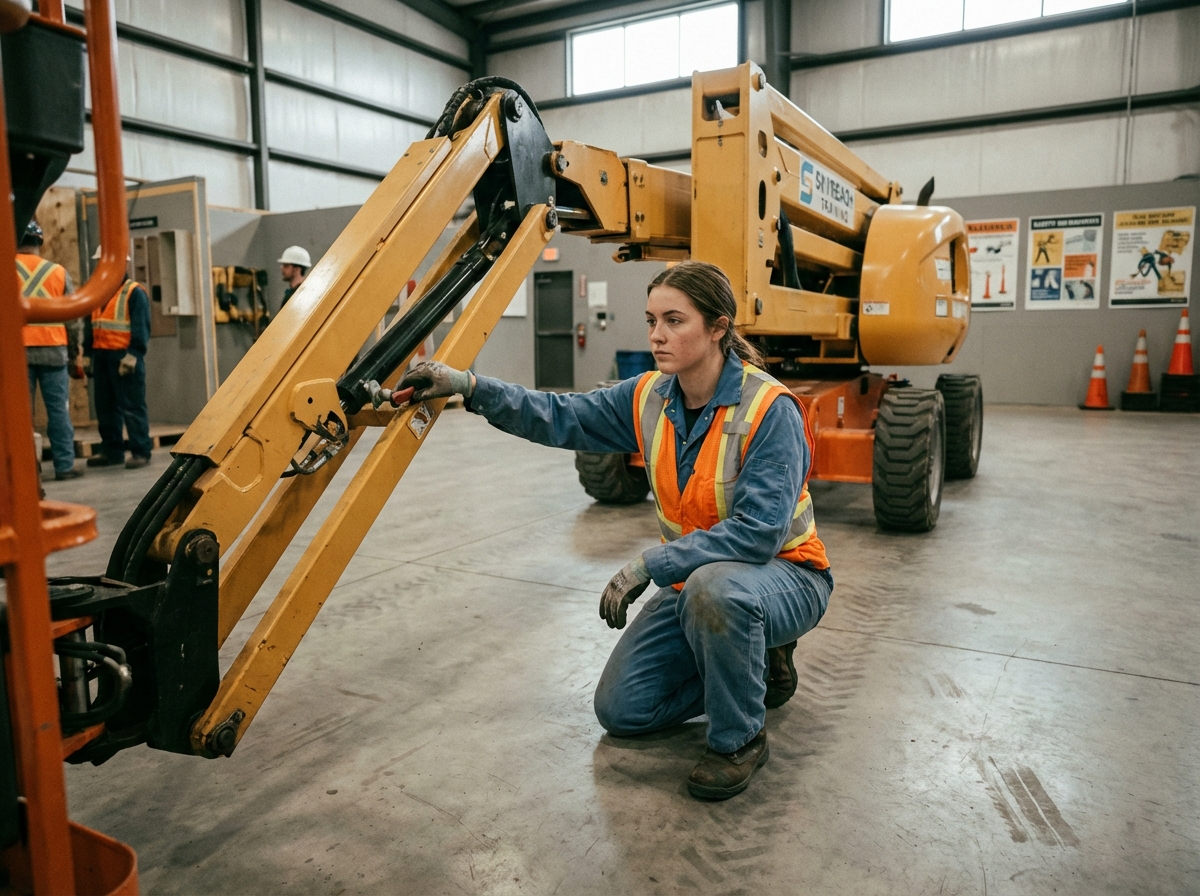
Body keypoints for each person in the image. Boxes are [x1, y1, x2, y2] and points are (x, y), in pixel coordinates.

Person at [390, 261, 833, 801]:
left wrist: (651, 564)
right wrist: (469, 386)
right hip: (695, 586)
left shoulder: (770, 409)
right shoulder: (650, 396)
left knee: (716, 589)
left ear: (718, 328)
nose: (656, 335)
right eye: (651, 320)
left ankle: (738, 740)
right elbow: (561, 415)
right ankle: (755, 665)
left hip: (784, 576)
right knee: (624, 709)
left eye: (675, 320)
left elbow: (759, 535)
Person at [19, 221, 84, 481]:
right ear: (40, 242)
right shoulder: (57, 272)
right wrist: (74, 348)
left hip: (17, 353)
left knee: (21, 414)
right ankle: (64, 465)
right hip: (54, 350)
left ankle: (25, 470)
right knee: (58, 410)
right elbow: (72, 317)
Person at [85, 248, 152, 469]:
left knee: (132, 406)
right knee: (105, 406)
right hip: (101, 356)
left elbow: (141, 326)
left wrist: (134, 354)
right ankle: (112, 451)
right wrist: (87, 354)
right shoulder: (97, 292)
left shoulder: (134, 292)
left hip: (125, 357)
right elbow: (90, 324)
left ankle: (140, 451)